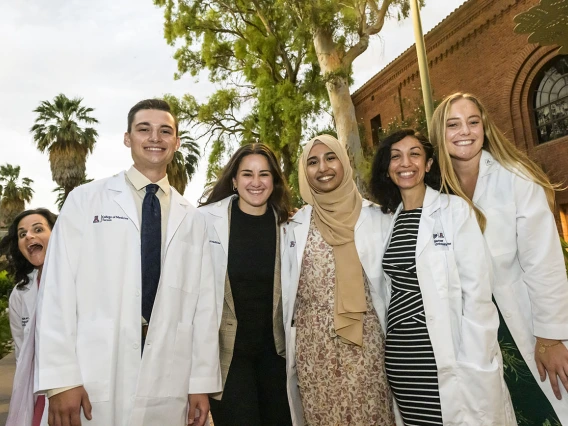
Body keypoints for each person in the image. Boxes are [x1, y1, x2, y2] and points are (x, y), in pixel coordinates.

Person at [34, 99, 221, 426]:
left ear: (176, 142)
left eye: (166, 131)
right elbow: (56, 291)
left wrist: (200, 383)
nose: (155, 138)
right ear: (127, 138)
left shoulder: (193, 219)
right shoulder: (85, 200)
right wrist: (61, 379)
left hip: (169, 371)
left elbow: (204, 306)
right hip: (97, 368)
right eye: (144, 129)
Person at [430, 92, 568, 424]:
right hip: (472, 337)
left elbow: (544, 264)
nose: (465, 130)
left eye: (473, 122)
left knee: (538, 412)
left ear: (485, 128)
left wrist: (549, 337)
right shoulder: (435, 194)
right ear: (439, 134)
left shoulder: (515, 178)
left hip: (521, 325)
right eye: (453, 124)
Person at [370, 129, 515, 425]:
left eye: (414, 154)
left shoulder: (454, 210)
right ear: (387, 168)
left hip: (449, 352)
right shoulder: (388, 220)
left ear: (429, 164)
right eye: (395, 156)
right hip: (402, 355)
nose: (405, 162)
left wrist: (476, 356)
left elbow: (477, 291)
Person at [281, 134, 396, 425]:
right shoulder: (292, 227)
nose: (323, 168)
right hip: (315, 353)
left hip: (368, 348)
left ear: (343, 162)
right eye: (313, 162)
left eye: (330, 158)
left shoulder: (378, 218)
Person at [198, 143, 293, 426]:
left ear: (274, 181)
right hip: (229, 357)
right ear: (234, 180)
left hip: (276, 356)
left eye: (264, 174)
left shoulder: (290, 225)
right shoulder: (205, 221)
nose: (255, 182)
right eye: (247, 174)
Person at [0, 208, 57, 426]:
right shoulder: (20, 294)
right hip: (39, 393)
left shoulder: (78, 282)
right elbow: (22, 352)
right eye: (22, 234)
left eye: (38, 229)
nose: (29, 236)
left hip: (81, 389)